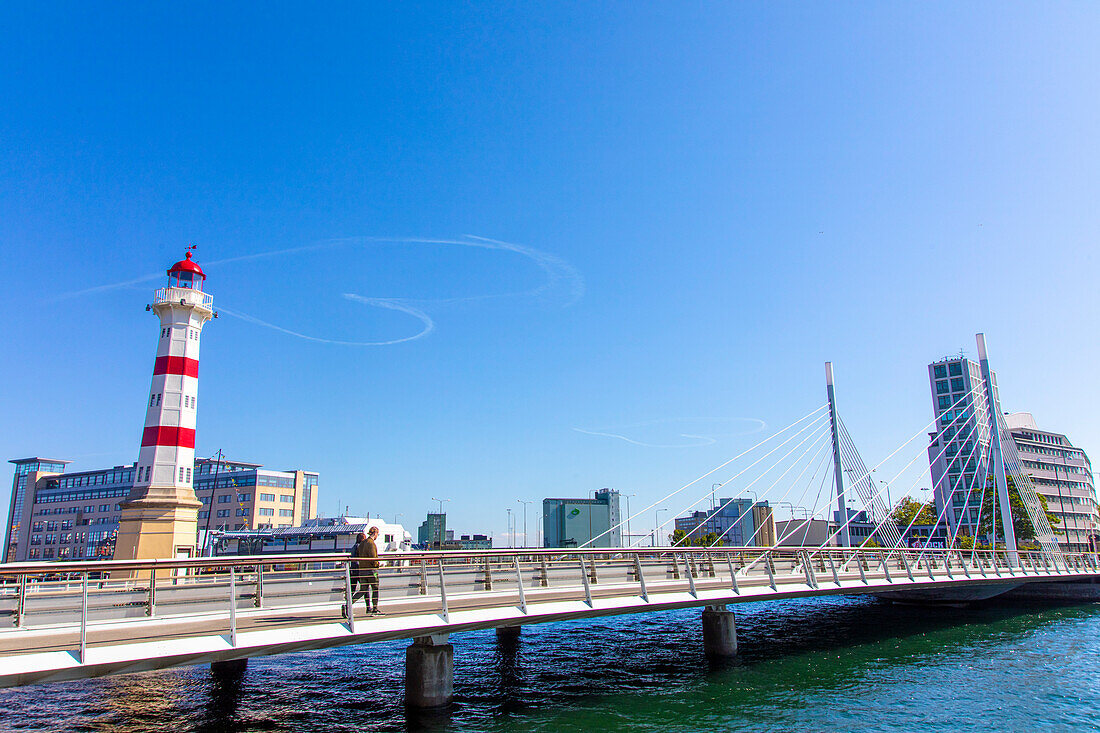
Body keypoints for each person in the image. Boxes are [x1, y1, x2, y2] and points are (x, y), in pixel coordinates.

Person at [354, 526, 383, 615]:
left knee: (363, 590)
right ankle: (375, 608)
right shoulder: (371, 544)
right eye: (377, 534)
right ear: (375, 533)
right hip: (371, 571)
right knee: (375, 588)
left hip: (362, 570)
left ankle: (348, 605)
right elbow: (373, 558)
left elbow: (358, 555)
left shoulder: (362, 544)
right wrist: (378, 565)